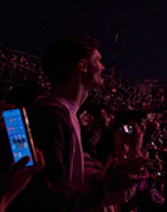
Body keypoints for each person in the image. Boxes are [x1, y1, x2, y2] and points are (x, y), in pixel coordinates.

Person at [8, 35, 147, 212]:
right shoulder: (52, 116)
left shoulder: (65, 114)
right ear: (82, 65)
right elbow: (53, 197)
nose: (103, 67)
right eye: (98, 60)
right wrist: (110, 183)